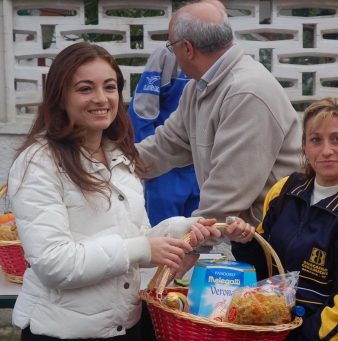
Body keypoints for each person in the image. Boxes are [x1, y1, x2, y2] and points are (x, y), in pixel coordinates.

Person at [7, 42, 221, 341]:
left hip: (126, 326)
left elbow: (136, 240)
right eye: (85, 89)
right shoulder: (38, 163)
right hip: (64, 332)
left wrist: (187, 229)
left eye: (109, 87)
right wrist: (144, 248)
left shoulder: (119, 157)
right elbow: (53, 264)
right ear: (60, 98)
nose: (101, 98)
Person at [230, 97, 338, 340]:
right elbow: (265, 272)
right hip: (272, 332)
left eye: (337, 139)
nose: (326, 150)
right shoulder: (284, 192)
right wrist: (245, 241)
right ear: (305, 146)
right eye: (316, 140)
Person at [135, 2, 302, 245]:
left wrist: (185, 245)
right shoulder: (197, 88)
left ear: (188, 49)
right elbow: (166, 145)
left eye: (172, 47)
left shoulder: (246, 92)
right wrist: (106, 166)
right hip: (246, 238)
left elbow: (226, 196)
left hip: (277, 239)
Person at [128, 0, 228, 227]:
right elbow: (142, 111)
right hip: (167, 168)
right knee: (164, 237)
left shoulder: (229, 66)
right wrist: (144, 164)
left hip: (203, 169)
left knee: (199, 239)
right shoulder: (167, 54)